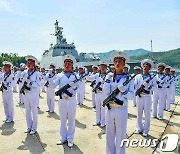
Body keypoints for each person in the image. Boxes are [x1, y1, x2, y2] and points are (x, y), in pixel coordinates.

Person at [104, 51, 134, 154]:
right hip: (110, 108)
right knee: (109, 134)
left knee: (121, 135)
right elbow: (106, 92)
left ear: (124, 64)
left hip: (121, 109)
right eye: (116, 61)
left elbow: (131, 96)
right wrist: (107, 82)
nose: (117, 63)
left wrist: (124, 91)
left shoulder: (128, 79)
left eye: (120, 61)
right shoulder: (109, 76)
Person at [48, 55, 79, 148]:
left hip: (72, 100)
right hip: (62, 100)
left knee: (71, 120)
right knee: (62, 120)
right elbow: (53, 85)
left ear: (72, 65)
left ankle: (70, 139)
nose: (67, 65)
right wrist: (49, 77)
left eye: (69, 64)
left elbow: (79, 88)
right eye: (66, 63)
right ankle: (63, 138)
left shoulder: (76, 76)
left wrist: (74, 86)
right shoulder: (59, 75)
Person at [134, 59, 156, 137]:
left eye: (147, 66)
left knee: (147, 114)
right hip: (139, 97)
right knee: (139, 113)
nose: (145, 67)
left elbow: (155, 88)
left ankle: (146, 130)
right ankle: (139, 128)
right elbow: (135, 86)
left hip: (147, 97)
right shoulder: (138, 76)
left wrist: (149, 87)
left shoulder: (152, 77)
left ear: (149, 68)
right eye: (144, 66)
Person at [22, 55, 40, 135]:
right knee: (27, 110)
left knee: (34, 111)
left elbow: (38, 84)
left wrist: (31, 82)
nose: (28, 64)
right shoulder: (24, 72)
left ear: (34, 64)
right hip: (26, 93)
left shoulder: (37, 74)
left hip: (33, 94)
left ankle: (34, 128)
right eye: (27, 63)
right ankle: (29, 126)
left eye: (30, 63)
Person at [93, 61, 109, 127]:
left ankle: (103, 122)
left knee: (103, 108)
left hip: (103, 94)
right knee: (97, 108)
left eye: (104, 66)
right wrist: (86, 75)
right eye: (101, 66)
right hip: (97, 94)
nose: (102, 68)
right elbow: (90, 78)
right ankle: (97, 121)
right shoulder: (97, 75)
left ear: (106, 68)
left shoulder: (108, 76)